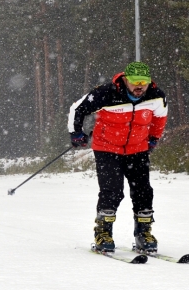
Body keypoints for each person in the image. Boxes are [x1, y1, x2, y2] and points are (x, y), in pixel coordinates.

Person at [67, 62, 168, 253]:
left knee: (143, 191)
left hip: (137, 149)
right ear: (125, 80)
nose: (140, 86)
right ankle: (103, 233)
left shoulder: (156, 96)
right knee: (112, 190)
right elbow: (77, 109)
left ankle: (143, 233)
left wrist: (153, 139)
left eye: (144, 82)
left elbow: (159, 118)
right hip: (107, 148)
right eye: (135, 81)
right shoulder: (106, 93)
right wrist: (76, 133)